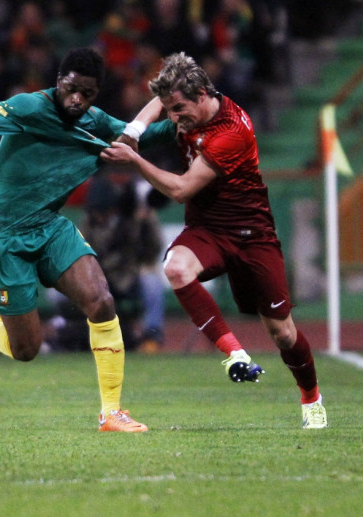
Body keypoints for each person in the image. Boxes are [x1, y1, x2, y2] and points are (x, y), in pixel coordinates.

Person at [0, 47, 175, 432]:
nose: (77, 99)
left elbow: (144, 135)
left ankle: (111, 412)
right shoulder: (29, 108)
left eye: (88, 93)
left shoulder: (94, 120)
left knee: (101, 301)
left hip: (50, 226)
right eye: (72, 88)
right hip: (5, 236)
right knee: (25, 350)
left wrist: (194, 119)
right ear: (58, 81)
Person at [101, 52, 327, 429]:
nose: (174, 118)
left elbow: (181, 188)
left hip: (253, 235)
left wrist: (134, 160)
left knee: (283, 334)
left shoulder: (232, 132)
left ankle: (311, 398)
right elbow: (159, 100)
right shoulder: (184, 99)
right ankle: (235, 354)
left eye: (180, 109)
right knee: (175, 267)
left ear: (202, 94)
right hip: (208, 229)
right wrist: (134, 133)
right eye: (172, 110)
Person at [79, 176, 166, 352]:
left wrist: (146, 221)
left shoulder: (133, 217)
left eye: (104, 211)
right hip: (99, 278)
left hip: (129, 276)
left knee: (153, 283)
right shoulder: (88, 223)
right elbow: (80, 254)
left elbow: (154, 249)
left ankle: (152, 337)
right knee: (58, 294)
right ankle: (78, 333)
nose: (100, 216)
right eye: (97, 212)